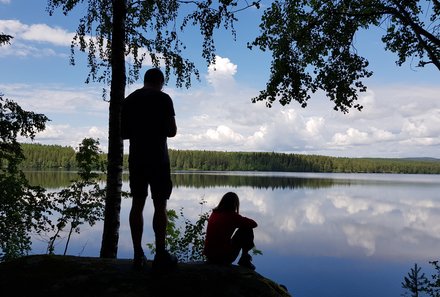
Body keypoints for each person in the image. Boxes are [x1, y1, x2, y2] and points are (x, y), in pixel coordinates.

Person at [121, 68, 177, 271]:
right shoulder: (164, 99)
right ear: (160, 82)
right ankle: (161, 253)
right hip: (159, 160)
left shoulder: (129, 100)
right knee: (160, 206)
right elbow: (172, 131)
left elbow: (123, 133)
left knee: (137, 204)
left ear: (145, 80)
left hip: (137, 159)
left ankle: (137, 254)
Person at [204, 192, 258, 270]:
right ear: (234, 204)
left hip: (209, 256)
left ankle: (244, 259)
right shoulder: (232, 216)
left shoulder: (214, 213)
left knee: (245, 228)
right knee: (247, 229)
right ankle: (244, 259)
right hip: (222, 258)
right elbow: (254, 224)